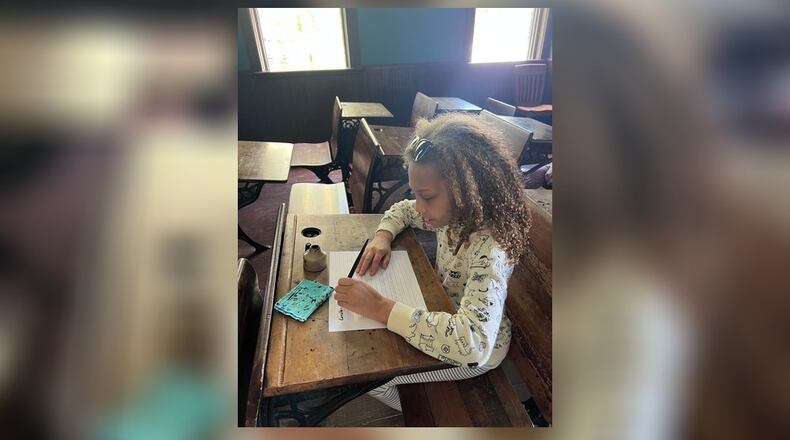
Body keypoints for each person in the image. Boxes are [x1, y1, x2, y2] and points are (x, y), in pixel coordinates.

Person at [333, 112, 533, 411]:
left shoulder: (491, 247)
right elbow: (403, 210)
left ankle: (431, 409)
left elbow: (474, 342)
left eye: (426, 196)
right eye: (415, 193)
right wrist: (382, 237)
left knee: (368, 379)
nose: (419, 206)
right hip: (440, 310)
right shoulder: (456, 215)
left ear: (469, 191)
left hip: (476, 353)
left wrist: (381, 308)